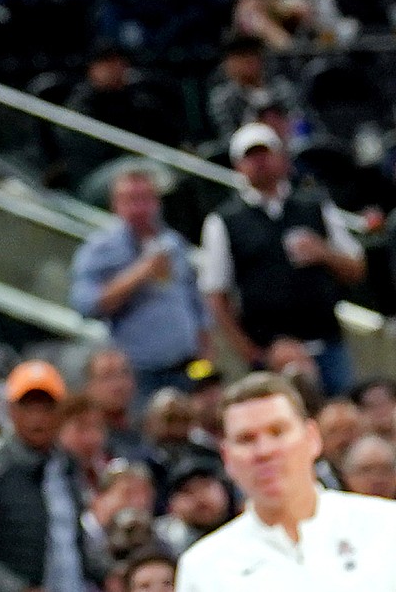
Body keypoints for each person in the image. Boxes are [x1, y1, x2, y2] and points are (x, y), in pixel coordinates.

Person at [177, 373, 396, 589]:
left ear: (312, 437)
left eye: (277, 431)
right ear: (227, 458)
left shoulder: (387, 527)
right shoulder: (204, 568)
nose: (264, 451)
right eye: (246, 439)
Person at [199, 123, 365, 394]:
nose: (260, 163)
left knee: (341, 410)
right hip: (271, 350)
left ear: (282, 158)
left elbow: (356, 267)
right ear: (238, 166)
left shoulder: (314, 205)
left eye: (265, 154)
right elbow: (216, 296)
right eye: (251, 157)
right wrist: (251, 352)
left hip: (327, 340)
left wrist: (323, 252)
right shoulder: (223, 221)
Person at [0, 361, 89, 592]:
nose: (38, 417)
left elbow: (74, 539)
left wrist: (109, 572)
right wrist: (17, 589)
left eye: (46, 407)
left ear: (60, 412)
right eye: (29, 407)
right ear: (11, 410)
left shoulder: (67, 465)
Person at [71, 164, 210, 396]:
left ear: (157, 203)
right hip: (141, 375)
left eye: (145, 199)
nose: (139, 208)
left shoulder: (173, 243)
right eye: (130, 200)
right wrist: (140, 273)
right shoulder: (100, 250)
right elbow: (85, 305)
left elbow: (195, 302)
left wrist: (206, 354)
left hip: (189, 366)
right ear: (116, 205)